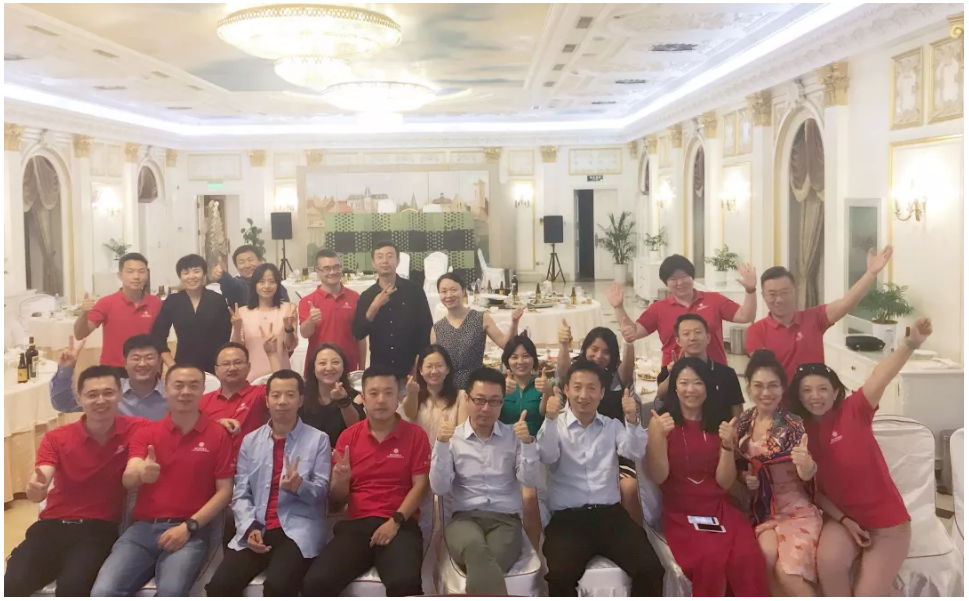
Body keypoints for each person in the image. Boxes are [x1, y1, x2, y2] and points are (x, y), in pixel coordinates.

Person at [792, 317, 931, 597]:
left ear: (835, 392)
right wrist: (844, 520)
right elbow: (815, 491)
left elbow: (881, 375)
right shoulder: (799, 431)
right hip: (843, 520)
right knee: (829, 564)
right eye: (806, 390)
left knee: (868, 594)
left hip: (888, 525)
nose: (815, 396)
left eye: (822, 389)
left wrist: (910, 344)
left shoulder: (854, 410)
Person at [91, 365, 234, 597]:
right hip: (142, 531)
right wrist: (141, 473)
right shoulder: (147, 433)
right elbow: (129, 478)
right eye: (178, 385)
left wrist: (189, 527)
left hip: (190, 531)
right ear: (166, 390)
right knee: (103, 592)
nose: (185, 392)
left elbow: (225, 491)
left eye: (193, 386)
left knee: (171, 592)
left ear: (202, 391)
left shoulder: (218, 435)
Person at [4, 366, 148, 596]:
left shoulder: (138, 428)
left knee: (73, 587)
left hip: (98, 530)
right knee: (13, 584)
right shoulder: (57, 437)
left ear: (120, 394)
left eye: (108, 393)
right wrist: (36, 488)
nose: (100, 400)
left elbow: (175, 428)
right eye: (92, 394)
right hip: (50, 526)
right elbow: (40, 483)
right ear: (79, 399)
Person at [537, 360, 664, 596]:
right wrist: (550, 420)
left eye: (591, 388)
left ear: (602, 393)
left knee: (651, 569)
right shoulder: (555, 425)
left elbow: (635, 452)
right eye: (577, 387)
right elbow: (547, 455)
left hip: (610, 516)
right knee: (560, 576)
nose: (584, 395)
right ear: (566, 390)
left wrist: (632, 420)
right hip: (568, 519)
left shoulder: (611, 426)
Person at [301, 365, 431, 597]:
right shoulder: (348, 436)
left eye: (388, 393)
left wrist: (395, 522)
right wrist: (341, 480)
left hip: (400, 523)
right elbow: (338, 499)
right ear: (363, 397)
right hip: (356, 526)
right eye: (374, 393)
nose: (381, 400)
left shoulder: (415, 435)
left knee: (405, 584)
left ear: (399, 397)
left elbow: (421, 486)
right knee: (315, 584)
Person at [646, 357, 769, 596]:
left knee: (747, 555)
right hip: (681, 512)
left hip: (719, 508)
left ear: (707, 386)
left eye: (697, 383)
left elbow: (724, 482)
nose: (690, 389)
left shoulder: (720, 424)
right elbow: (659, 477)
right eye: (683, 383)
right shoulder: (661, 422)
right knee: (710, 560)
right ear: (674, 387)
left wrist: (727, 445)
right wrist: (658, 438)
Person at [205, 370, 331, 597]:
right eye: (276, 395)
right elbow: (241, 493)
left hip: (297, 530)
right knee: (219, 587)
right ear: (267, 400)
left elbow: (322, 494)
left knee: (278, 587)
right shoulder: (250, 441)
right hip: (258, 526)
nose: (282, 401)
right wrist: (249, 527)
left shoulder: (318, 439)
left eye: (290, 395)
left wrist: (300, 486)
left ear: (300, 400)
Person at [430, 367, 540, 595]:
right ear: (467, 400)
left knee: (486, 561)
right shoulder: (452, 439)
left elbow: (529, 480)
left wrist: (528, 444)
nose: (486, 408)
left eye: (494, 401)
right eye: (479, 400)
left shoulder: (513, 437)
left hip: (505, 522)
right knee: (475, 548)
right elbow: (439, 487)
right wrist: (441, 444)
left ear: (502, 403)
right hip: (463, 520)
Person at [737, 350, 821, 596]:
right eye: (758, 386)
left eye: (773, 385)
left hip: (797, 511)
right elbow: (740, 464)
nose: (766, 393)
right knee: (764, 557)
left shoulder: (793, 424)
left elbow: (807, 473)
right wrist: (746, 478)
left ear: (783, 388)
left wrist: (807, 465)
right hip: (764, 511)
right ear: (749, 387)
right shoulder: (745, 421)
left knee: (786, 573)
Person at [746, 246, 894, 379]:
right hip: (779, 399)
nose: (779, 299)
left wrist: (870, 274)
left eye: (784, 292)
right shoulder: (756, 331)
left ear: (794, 292)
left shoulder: (815, 318)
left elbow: (847, 302)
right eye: (772, 294)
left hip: (815, 398)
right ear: (763, 296)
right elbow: (762, 376)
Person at [556, 323, 643, 524]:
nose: (598, 356)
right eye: (594, 349)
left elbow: (627, 371)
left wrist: (629, 342)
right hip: (578, 447)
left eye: (606, 352)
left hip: (615, 449)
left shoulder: (615, 378)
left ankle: (635, 530)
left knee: (628, 487)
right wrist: (564, 345)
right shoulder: (577, 374)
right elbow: (563, 374)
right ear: (585, 348)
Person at [611, 257, 758, 366]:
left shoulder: (714, 300)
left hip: (714, 371)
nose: (680, 282)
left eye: (684, 276)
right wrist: (619, 307)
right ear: (666, 283)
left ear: (692, 277)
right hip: (674, 373)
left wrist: (750, 290)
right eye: (673, 278)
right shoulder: (658, 308)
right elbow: (634, 332)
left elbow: (745, 316)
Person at [352, 241, 433, 380]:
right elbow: (358, 333)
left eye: (389, 256)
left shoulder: (415, 291)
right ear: (373, 263)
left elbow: (426, 330)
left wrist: (418, 364)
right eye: (380, 257)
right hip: (379, 371)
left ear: (398, 260)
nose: (385, 261)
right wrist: (374, 307)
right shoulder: (367, 296)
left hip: (410, 370)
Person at [500, 334, 550, 550]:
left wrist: (547, 392)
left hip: (535, 450)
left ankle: (535, 551)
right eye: (514, 356)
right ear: (506, 361)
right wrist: (500, 394)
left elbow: (547, 414)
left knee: (531, 499)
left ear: (534, 360)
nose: (520, 361)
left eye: (526, 356)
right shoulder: (499, 385)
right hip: (504, 450)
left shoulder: (542, 384)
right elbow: (488, 417)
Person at [431, 272, 522, 389]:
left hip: (476, 386)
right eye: (443, 291)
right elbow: (434, 362)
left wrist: (514, 322)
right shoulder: (437, 328)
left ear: (463, 291)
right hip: (448, 389)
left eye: (453, 290)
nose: (449, 295)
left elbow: (506, 344)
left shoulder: (480, 318)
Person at [74, 252, 162, 369]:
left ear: (147, 274)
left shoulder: (157, 303)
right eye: (130, 271)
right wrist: (84, 314)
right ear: (120, 275)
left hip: (147, 367)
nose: (136, 276)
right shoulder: (106, 303)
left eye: (141, 271)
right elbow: (80, 334)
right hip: (113, 369)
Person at [50, 334, 168, 420]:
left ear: (159, 363)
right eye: (136, 358)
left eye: (149, 358)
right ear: (125, 363)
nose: (142, 364)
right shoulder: (109, 390)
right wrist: (65, 370)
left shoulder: (171, 394)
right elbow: (64, 403)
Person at [151, 253, 232, 375]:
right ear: (180, 276)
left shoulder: (217, 300)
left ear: (204, 273)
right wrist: (173, 366)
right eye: (186, 273)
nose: (191, 276)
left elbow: (226, 337)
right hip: (183, 367)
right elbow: (157, 337)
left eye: (196, 271)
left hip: (216, 368)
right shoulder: (173, 301)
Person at [655, 313, 744, 419]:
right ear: (678, 341)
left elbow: (737, 409)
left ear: (708, 337)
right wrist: (673, 373)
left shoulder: (726, 373)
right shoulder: (670, 369)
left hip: (718, 428)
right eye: (686, 334)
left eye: (698, 332)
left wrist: (734, 428)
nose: (693, 338)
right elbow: (660, 396)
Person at [298, 249, 367, 375]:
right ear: (317, 271)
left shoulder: (355, 298)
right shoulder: (308, 301)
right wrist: (311, 320)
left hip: (348, 366)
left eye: (336, 267)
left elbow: (360, 337)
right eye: (327, 268)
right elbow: (305, 333)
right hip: (319, 369)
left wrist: (362, 368)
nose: (332, 272)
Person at [200, 342, 275, 454]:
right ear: (216, 370)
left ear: (248, 367)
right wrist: (216, 426)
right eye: (226, 364)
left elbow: (284, 388)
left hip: (252, 461)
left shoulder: (259, 393)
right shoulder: (203, 401)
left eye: (238, 363)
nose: (232, 368)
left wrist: (273, 354)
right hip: (214, 461)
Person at [230, 263, 298, 380]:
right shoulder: (242, 312)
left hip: (281, 374)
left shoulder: (288, 309)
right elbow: (237, 349)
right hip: (251, 376)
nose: (267, 286)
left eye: (272, 281)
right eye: (261, 282)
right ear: (254, 285)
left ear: (278, 284)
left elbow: (290, 347)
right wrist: (236, 328)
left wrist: (288, 329)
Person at [300, 343, 366, 447]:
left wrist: (343, 401)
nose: (329, 368)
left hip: (343, 453)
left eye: (335, 362)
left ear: (343, 367)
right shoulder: (302, 397)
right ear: (313, 368)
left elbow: (357, 429)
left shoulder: (356, 397)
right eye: (322, 363)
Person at [400, 344, 468, 443]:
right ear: (421, 370)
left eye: (439, 366)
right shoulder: (414, 396)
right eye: (429, 366)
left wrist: (453, 432)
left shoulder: (461, 397)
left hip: (450, 450)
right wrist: (412, 394)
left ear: (448, 369)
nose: (434, 371)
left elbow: (463, 434)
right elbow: (409, 413)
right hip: (420, 451)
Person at [211, 244, 290, 310]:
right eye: (241, 262)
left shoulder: (273, 284)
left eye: (250, 260)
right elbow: (229, 284)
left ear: (259, 260)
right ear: (236, 266)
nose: (247, 265)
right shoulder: (237, 285)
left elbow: (285, 308)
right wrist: (222, 276)